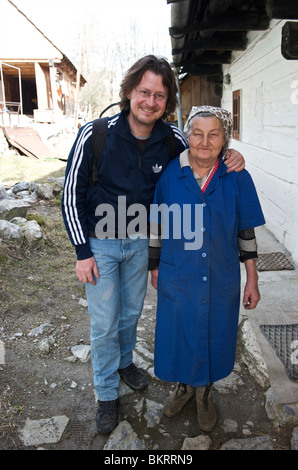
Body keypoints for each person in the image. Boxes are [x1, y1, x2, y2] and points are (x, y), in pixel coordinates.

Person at [61, 56, 245, 434]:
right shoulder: (97, 134)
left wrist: (230, 155)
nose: (150, 101)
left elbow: (203, 153)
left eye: (159, 95)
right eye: (144, 92)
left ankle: (126, 362)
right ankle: (107, 395)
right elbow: (69, 196)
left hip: (142, 242)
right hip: (102, 244)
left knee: (130, 315)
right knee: (104, 323)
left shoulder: (171, 138)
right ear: (130, 91)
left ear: (167, 102)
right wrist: (82, 252)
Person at [149, 105, 265, 432]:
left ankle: (205, 391)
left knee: (215, 332)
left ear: (224, 140)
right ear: (187, 135)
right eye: (197, 133)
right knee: (180, 331)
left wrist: (252, 278)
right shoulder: (172, 174)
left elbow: (246, 232)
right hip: (178, 273)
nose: (204, 141)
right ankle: (185, 387)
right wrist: (154, 268)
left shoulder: (237, 177)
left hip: (221, 274)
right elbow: (157, 225)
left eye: (213, 134)